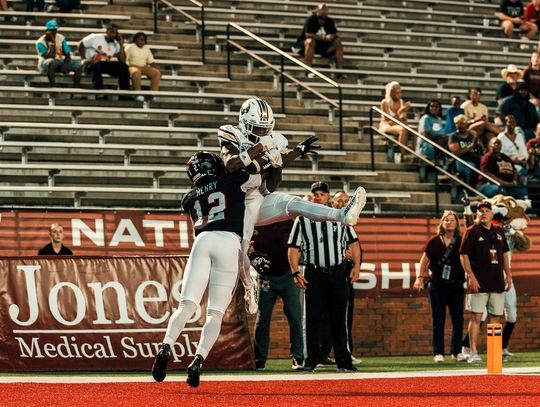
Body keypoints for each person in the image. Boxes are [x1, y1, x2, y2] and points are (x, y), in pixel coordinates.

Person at [218, 97, 367, 315]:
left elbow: (271, 178)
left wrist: (294, 153)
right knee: (241, 248)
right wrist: (263, 151)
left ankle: (342, 214)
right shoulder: (231, 134)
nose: (261, 133)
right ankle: (249, 287)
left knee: (294, 202)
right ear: (244, 123)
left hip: (258, 196)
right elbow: (233, 165)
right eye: (257, 129)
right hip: (237, 202)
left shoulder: (275, 139)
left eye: (264, 129)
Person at [151, 151, 260, 388]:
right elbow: (257, 175)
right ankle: (198, 360)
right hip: (228, 241)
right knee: (215, 313)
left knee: (186, 305)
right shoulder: (230, 179)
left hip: (202, 242)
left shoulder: (189, 197)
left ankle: (165, 346)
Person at [288, 181, 361, 373]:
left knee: (339, 319)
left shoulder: (340, 217)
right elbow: (293, 247)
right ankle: (310, 360)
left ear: (328, 197)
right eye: (316, 194)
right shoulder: (302, 219)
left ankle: (343, 361)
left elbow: (354, 242)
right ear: (311, 197)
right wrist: (295, 271)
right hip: (314, 273)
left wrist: (357, 266)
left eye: (322, 194)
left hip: (337, 272)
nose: (319, 197)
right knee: (312, 318)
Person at [459, 200, 512, 363]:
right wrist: (471, 276)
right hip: (479, 283)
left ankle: (494, 352)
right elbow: (464, 255)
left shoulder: (499, 231)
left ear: (491, 213)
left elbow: (504, 254)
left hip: (497, 282)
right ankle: (473, 352)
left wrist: (508, 275)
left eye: (486, 210)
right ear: (477, 214)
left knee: (495, 318)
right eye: (480, 210)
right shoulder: (472, 231)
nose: (483, 213)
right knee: (476, 317)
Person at [251, 220, 304, 371]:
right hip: (266, 277)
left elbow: (299, 245)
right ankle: (259, 360)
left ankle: (298, 357)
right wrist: (252, 254)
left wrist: (295, 269)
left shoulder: (289, 222)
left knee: (294, 316)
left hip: (288, 275)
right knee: (263, 318)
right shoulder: (256, 223)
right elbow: (247, 247)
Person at [413, 210, 466, 363]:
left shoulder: (462, 241)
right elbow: (424, 260)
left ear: (456, 223)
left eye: (452, 220)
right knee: (439, 319)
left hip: (456, 285)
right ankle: (438, 352)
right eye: (446, 220)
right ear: (442, 223)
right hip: (437, 285)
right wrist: (419, 277)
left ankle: (457, 352)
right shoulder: (434, 241)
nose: (449, 222)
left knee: (458, 319)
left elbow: (468, 260)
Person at [332, 190, 363, 365]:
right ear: (332, 202)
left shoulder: (349, 225)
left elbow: (356, 250)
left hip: (344, 275)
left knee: (344, 317)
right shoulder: (327, 220)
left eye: (346, 200)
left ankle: (345, 352)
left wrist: (355, 263)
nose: (342, 203)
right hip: (326, 273)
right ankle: (321, 353)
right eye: (339, 200)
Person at [78, 24, 131, 98]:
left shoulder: (116, 44)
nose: (113, 34)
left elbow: (122, 60)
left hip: (103, 64)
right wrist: (83, 58)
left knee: (124, 67)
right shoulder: (95, 37)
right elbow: (80, 44)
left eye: (115, 33)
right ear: (107, 31)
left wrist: (121, 44)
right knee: (97, 64)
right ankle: (99, 92)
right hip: (90, 63)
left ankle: (124, 94)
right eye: (112, 32)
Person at [293, 3, 344, 77]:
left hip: (323, 46)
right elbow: (308, 34)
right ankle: (308, 70)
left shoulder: (329, 21)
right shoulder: (311, 19)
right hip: (307, 45)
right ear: (317, 10)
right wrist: (324, 37)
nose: (324, 12)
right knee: (310, 41)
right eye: (322, 10)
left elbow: (334, 33)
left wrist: (331, 36)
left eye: (325, 10)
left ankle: (339, 73)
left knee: (338, 42)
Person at [35, 20, 83, 88]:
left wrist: (65, 64)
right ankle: (53, 87)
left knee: (79, 65)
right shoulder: (39, 42)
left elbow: (67, 54)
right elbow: (49, 56)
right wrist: (52, 43)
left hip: (58, 62)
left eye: (55, 30)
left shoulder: (61, 38)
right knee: (50, 62)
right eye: (51, 30)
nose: (53, 32)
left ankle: (75, 90)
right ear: (47, 31)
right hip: (45, 64)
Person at [379, 81, 413, 158]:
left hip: (399, 124)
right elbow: (388, 120)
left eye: (400, 92)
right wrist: (400, 111)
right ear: (391, 93)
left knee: (415, 129)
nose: (399, 95)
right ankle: (403, 155)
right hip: (387, 125)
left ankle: (415, 154)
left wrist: (404, 112)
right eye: (396, 93)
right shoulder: (385, 103)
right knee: (403, 130)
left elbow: (405, 120)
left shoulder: (401, 102)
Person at [125, 32, 161, 102]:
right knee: (136, 72)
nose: (141, 41)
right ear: (135, 40)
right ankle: (138, 94)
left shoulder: (146, 48)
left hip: (143, 66)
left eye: (143, 40)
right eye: (139, 39)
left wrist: (155, 69)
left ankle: (153, 95)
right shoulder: (130, 47)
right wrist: (129, 66)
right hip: (132, 65)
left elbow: (151, 61)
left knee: (157, 73)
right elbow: (125, 60)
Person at [448, 114, 482, 188]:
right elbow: (456, 152)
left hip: (476, 158)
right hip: (462, 160)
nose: (460, 125)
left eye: (462, 123)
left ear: (466, 124)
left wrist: (477, 140)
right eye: (458, 123)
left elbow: (480, 148)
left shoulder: (472, 135)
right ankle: (470, 191)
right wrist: (471, 146)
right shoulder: (453, 136)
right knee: (472, 168)